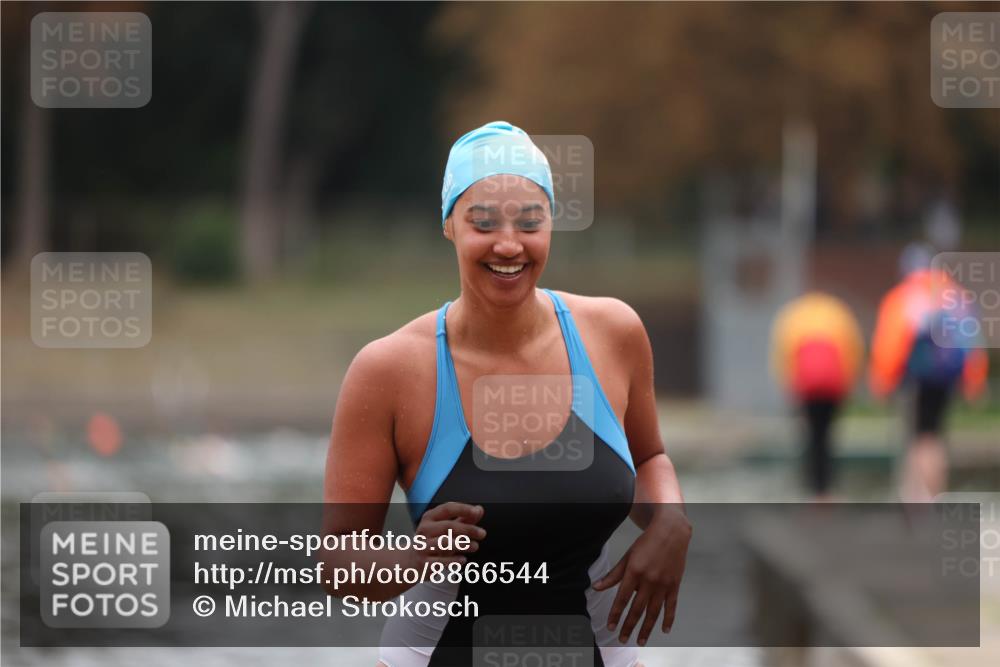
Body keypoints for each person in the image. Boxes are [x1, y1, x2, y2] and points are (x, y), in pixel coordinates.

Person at [322, 121, 691, 667]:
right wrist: (414, 556)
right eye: (483, 222)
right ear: (449, 224)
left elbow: (648, 456)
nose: (509, 244)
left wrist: (671, 522)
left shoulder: (613, 333)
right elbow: (339, 565)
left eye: (530, 222)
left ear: (551, 227)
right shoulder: (391, 370)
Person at [869, 266, 989, 502]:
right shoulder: (955, 296)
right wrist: (975, 382)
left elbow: (891, 344)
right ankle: (933, 493)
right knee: (935, 436)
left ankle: (920, 498)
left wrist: (883, 382)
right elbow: (972, 342)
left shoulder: (905, 297)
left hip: (918, 379)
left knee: (920, 437)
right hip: (947, 378)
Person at [770, 292, 864, 500]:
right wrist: (850, 383)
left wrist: (788, 385)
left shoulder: (795, 316)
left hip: (806, 388)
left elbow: (783, 353)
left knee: (811, 436)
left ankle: (813, 489)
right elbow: (853, 350)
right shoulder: (838, 315)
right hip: (833, 388)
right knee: (828, 436)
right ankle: (827, 489)